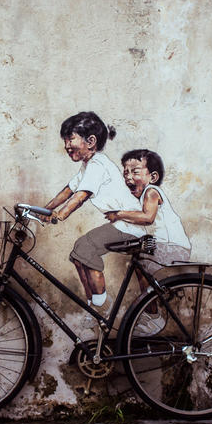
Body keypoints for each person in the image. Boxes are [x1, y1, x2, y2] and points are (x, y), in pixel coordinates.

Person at [43, 112, 144, 309]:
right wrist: (44, 210)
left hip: (130, 225)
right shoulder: (87, 166)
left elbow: (81, 196)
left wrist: (59, 215)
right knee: (78, 256)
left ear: (90, 141)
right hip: (121, 224)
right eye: (65, 140)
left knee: (85, 248)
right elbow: (68, 191)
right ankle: (92, 303)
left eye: (71, 138)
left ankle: (101, 305)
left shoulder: (98, 164)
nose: (66, 145)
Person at [105, 149, 191, 333]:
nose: (128, 177)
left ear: (152, 176)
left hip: (174, 246)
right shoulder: (142, 196)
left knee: (143, 265)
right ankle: (151, 309)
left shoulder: (151, 192)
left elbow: (147, 217)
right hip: (165, 245)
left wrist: (118, 215)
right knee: (141, 265)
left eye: (135, 171)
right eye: (125, 173)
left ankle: (153, 316)